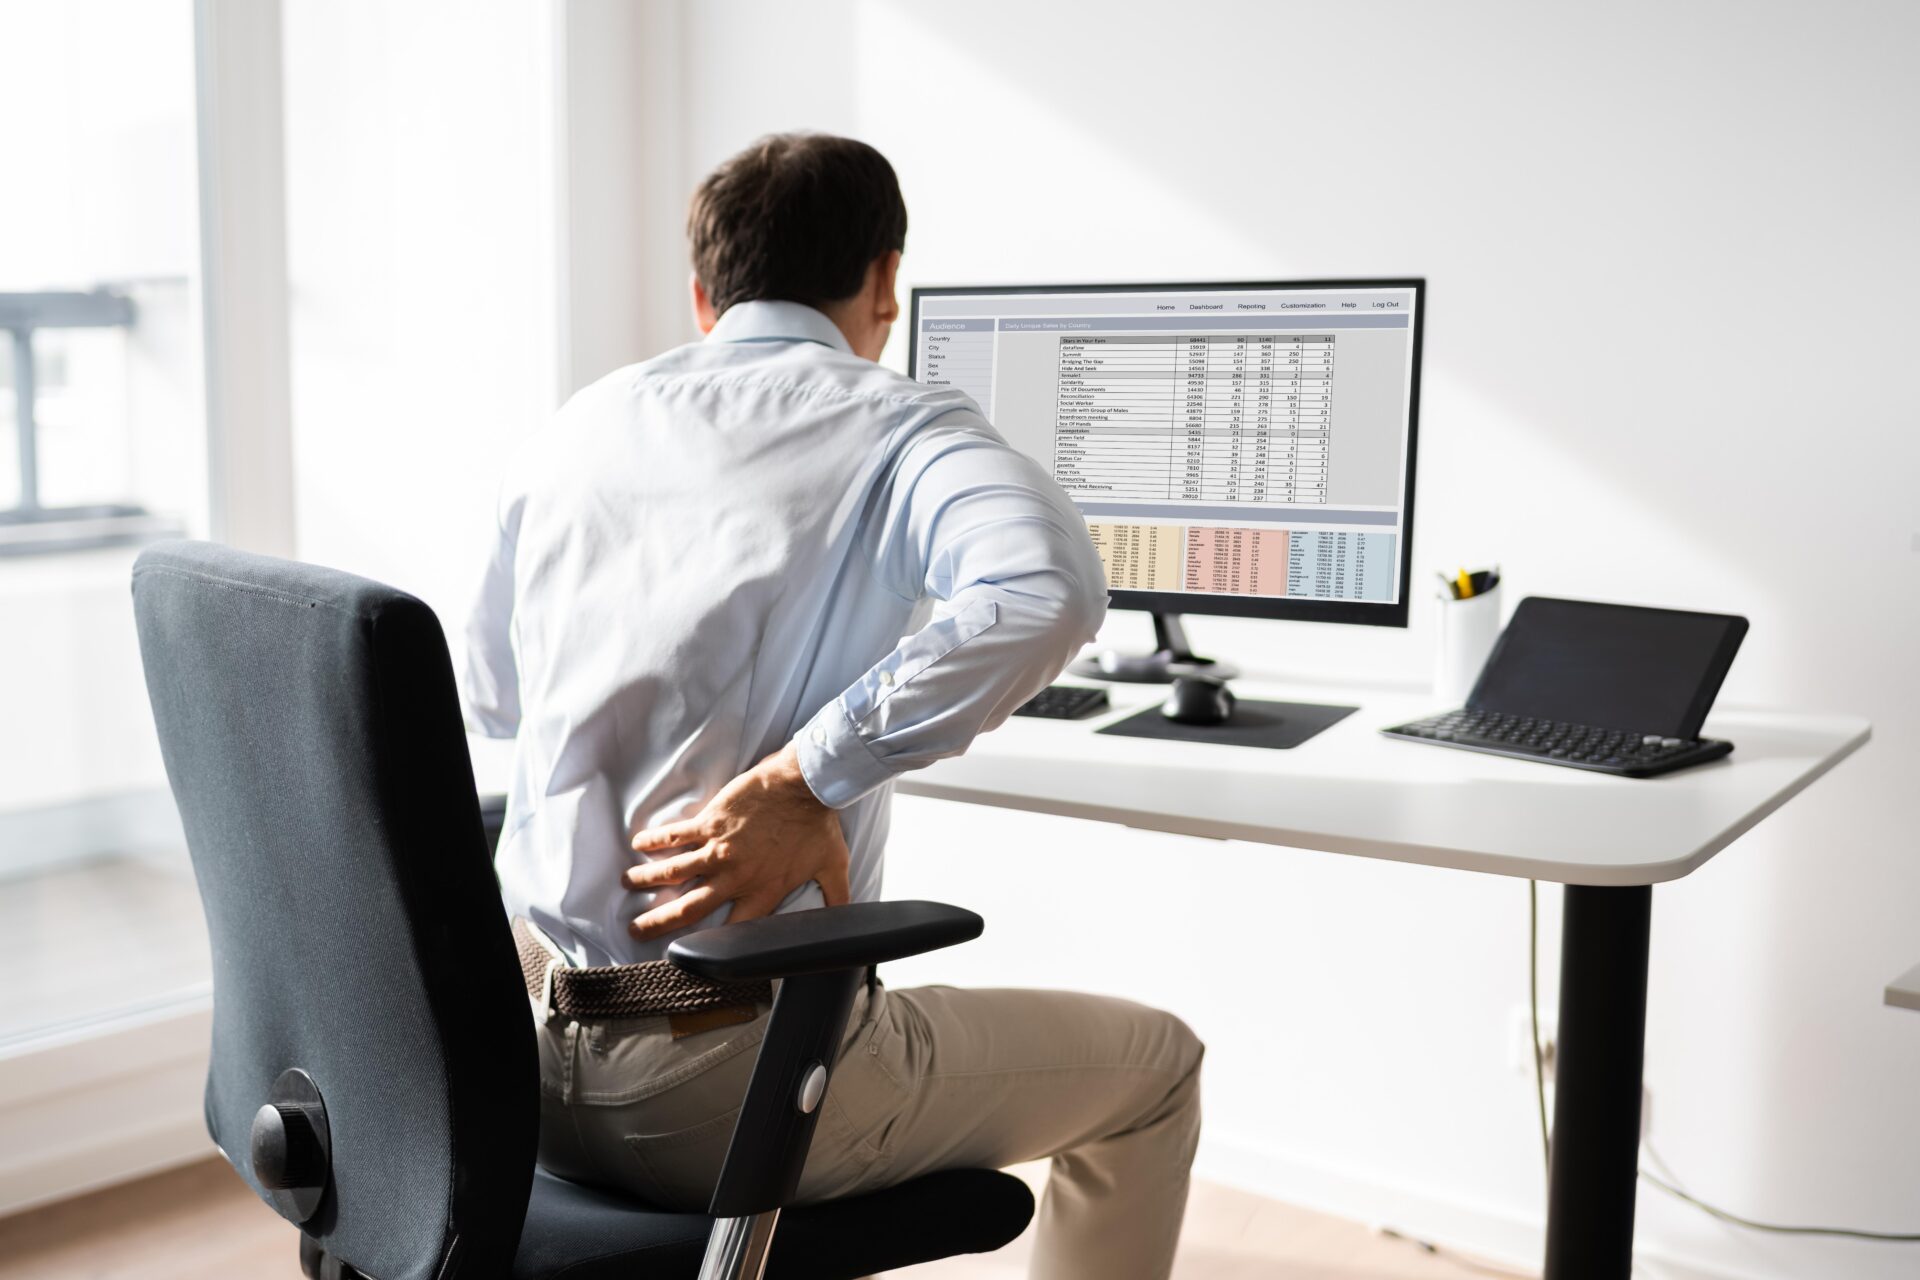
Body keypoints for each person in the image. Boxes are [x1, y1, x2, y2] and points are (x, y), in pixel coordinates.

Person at [462, 132, 1202, 1280]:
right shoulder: (897, 423)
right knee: (1158, 1064)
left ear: (704, 295)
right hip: (721, 1089)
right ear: (885, 282)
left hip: (507, 1067)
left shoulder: (581, 425)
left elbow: (491, 697)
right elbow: (1049, 587)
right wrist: (804, 771)